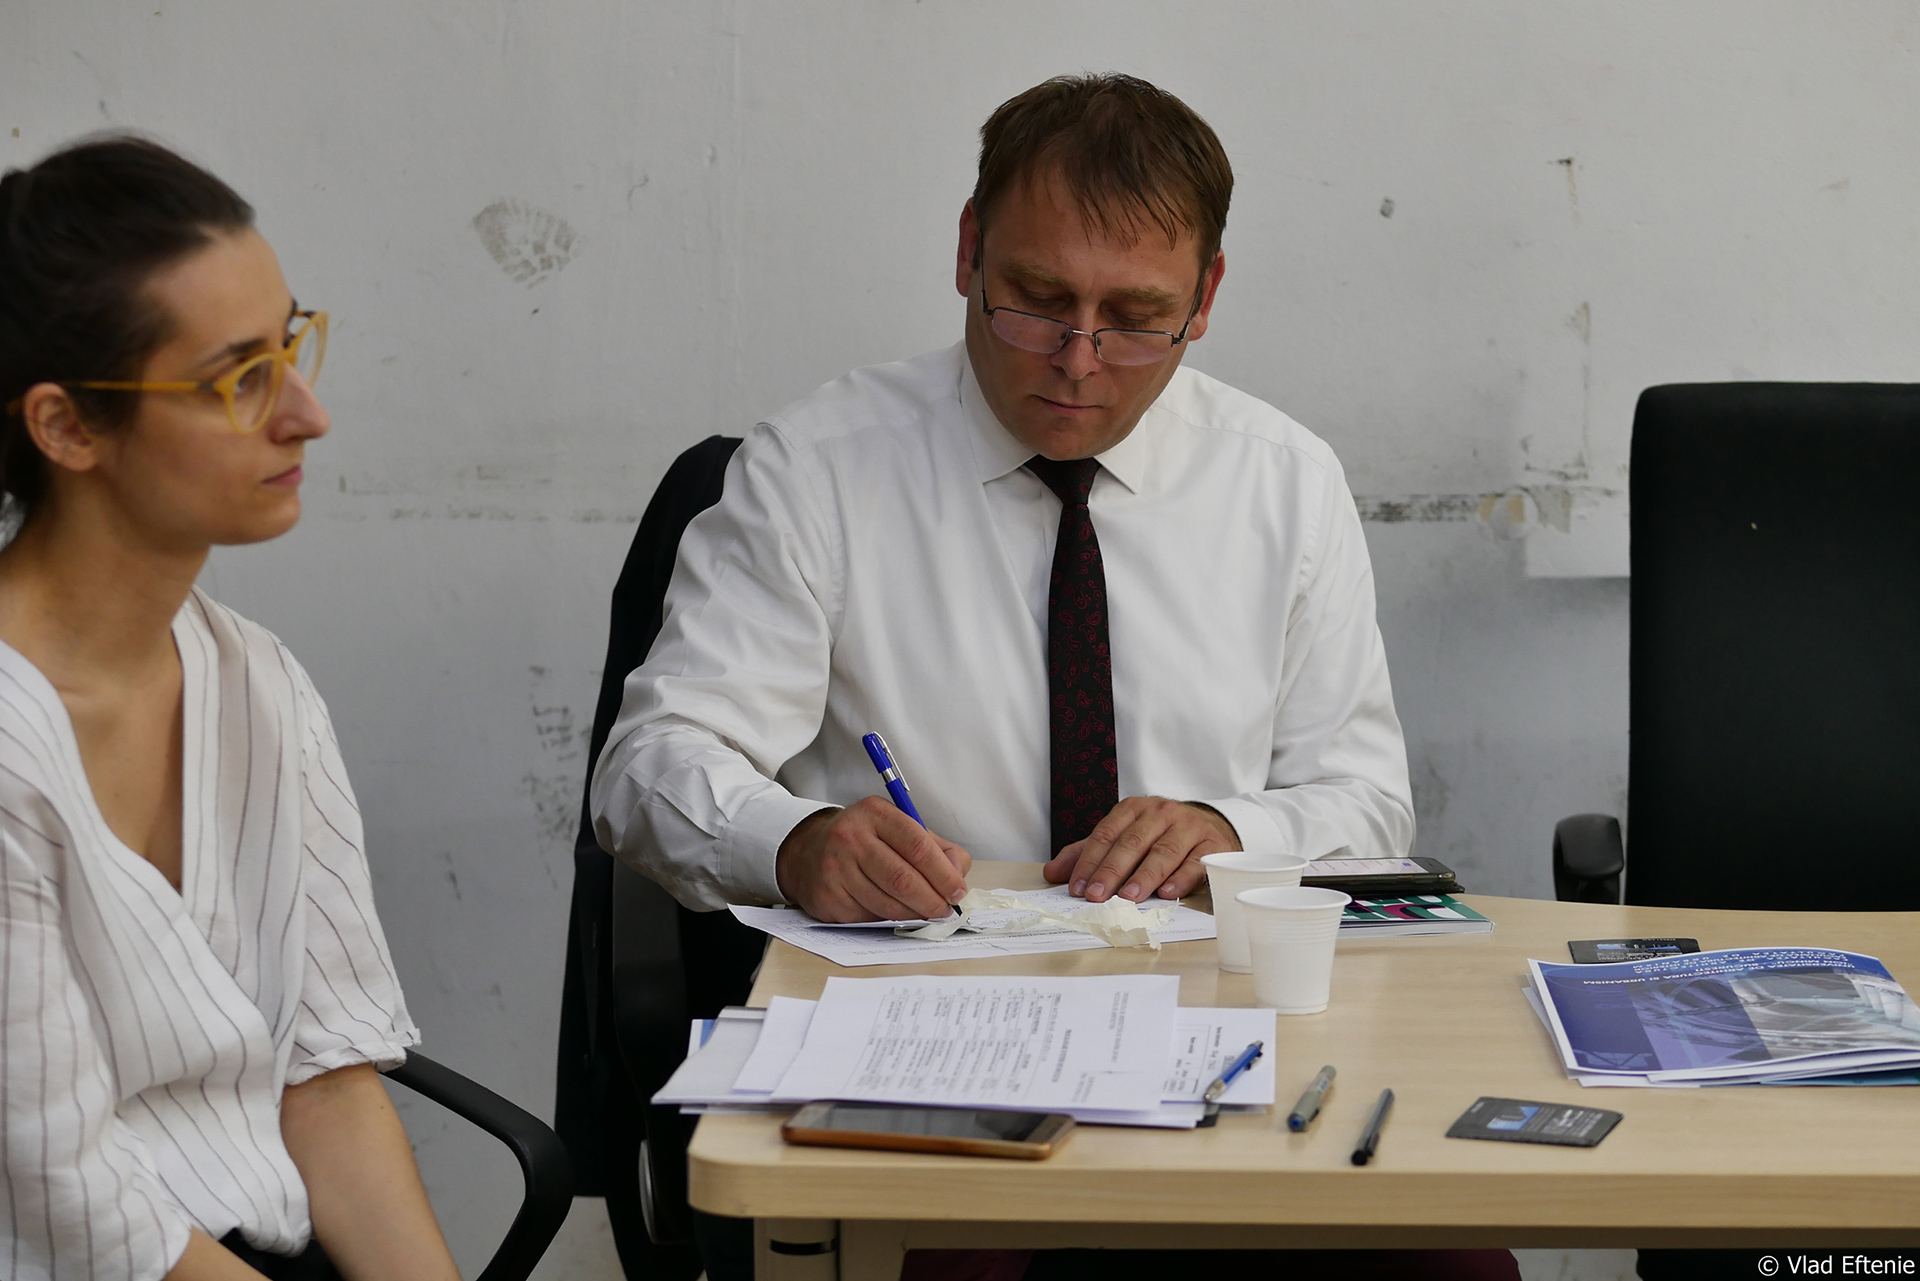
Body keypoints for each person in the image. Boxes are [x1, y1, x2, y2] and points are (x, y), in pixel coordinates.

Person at [592, 73, 1414, 923]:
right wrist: (796, 843)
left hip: (1201, 978)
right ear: (969, 252)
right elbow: (649, 762)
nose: (1079, 360)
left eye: (1135, 317)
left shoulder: (1288, 485)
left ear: (1203, 299)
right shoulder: (816, 471)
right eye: (1040, 301)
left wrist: (1234, 831)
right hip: (909, 976)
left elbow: (1369, 802)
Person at [0, 136, 460, 1281]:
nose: (306, 412)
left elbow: (327, 1081)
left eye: (290, 345)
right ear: (66, 427)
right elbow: (67, 1198)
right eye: (238, 378)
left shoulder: (257, 682)